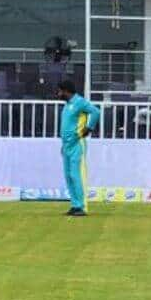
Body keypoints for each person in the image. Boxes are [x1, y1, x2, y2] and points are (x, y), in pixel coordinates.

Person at [56, 79, 97, 217]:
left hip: (77, 143)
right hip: (67, 145)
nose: (59, 93)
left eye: (60, 91)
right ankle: (75, 205)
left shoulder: (79, 102)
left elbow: (96, 112)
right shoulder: (68, 105)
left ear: (66, 91)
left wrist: (89, 128)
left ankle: (81, 206)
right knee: (68, 176)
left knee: (76, 174)